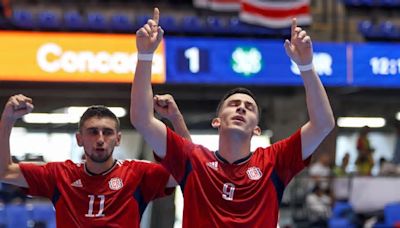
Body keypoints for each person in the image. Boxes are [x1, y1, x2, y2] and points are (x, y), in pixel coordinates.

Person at [130, 8, 335, 227]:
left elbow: (323, 124)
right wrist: (145, 56)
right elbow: (142, 119)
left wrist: (305, 65)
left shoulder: (274, 161)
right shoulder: (194, 159)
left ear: (257, 129)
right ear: (217, 121)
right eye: (234, 105)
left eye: (249, 107)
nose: (241, 109)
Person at [0, 93, 190, 227]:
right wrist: (7, 120)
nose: (100, 139)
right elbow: (4, 171)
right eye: (92, 132)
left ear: (118, 139)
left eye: (107, 132)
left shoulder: (138, 173)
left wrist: (176, 117)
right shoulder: (59, 174)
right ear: (79, 139)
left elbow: (189, 170)